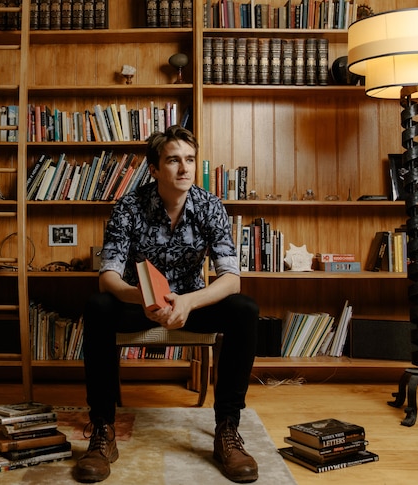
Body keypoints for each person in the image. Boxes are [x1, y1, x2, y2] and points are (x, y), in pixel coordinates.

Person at [72, 126, 259, 483]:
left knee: (244, 309)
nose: (184, 168)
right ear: (155, 169)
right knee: (97, 306)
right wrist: (139, 298)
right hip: (139, 305)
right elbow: (108, 276)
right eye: (173, 160)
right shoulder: (128, 206)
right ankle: (103, 430)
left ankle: (228, 429)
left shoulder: (210, 206)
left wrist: (188, 302)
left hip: (191, 305)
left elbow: (231, 277)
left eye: (189, 159)